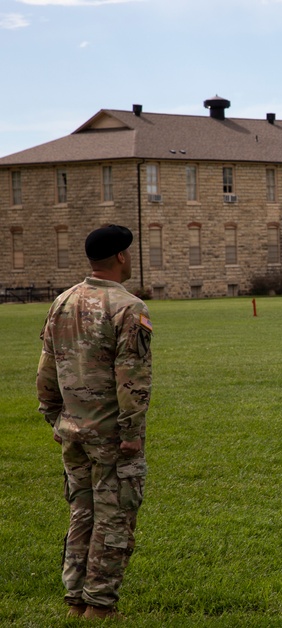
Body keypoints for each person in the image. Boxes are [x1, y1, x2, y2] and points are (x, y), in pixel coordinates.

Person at [36, 225, 153, 619]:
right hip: (111, 436)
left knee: (81, 512)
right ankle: (100, 607)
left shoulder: (63, 301)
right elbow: (131, 378)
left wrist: (57, 418)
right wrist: (132, 435)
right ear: (121, 257)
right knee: (114, 516)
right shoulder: (128, 306)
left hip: (72, 432)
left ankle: (75, 600)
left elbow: (46, 371)